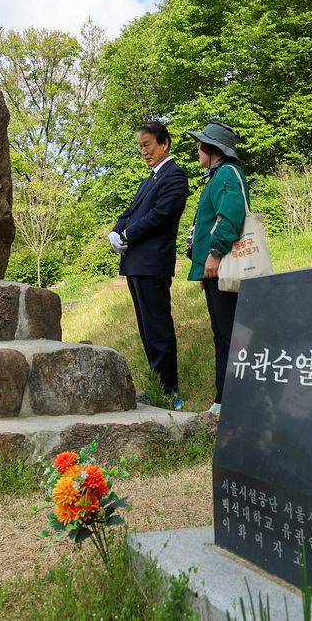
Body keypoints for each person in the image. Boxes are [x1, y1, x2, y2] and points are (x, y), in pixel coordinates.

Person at [110, 121, 189, 409]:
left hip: (153, 262)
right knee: (147, 329)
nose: (144, 151)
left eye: (148, 145)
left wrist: (127, 234)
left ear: (164, 143)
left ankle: (170, 392)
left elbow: (161, 215)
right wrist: (115, 231)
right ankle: (158, 386)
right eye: (141, 146)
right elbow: (129, 212)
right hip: (136, 264)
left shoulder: (175, 175)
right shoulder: (149, 180)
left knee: (158, 328)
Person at [184, 121, 248, 417]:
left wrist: (214, 254)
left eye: (200, 146)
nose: (197, 151)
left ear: (211, 149)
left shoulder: (225, 174)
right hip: (216, 270)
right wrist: (204, 269)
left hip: (222, 264)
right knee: (225, 333)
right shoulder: (217, 176)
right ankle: (229, 399)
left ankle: (226, 403)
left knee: (227, 335)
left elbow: (230, 217)